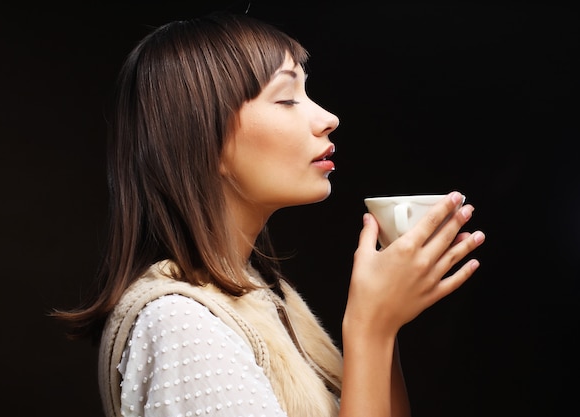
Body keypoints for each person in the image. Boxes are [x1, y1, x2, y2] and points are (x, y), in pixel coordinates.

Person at [53, 10, 485, 417]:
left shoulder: (263, 299)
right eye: (286, 99)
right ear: (203, 141)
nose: (329, 118)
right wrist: (370, 328)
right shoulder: (181, 326)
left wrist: (385, 325)